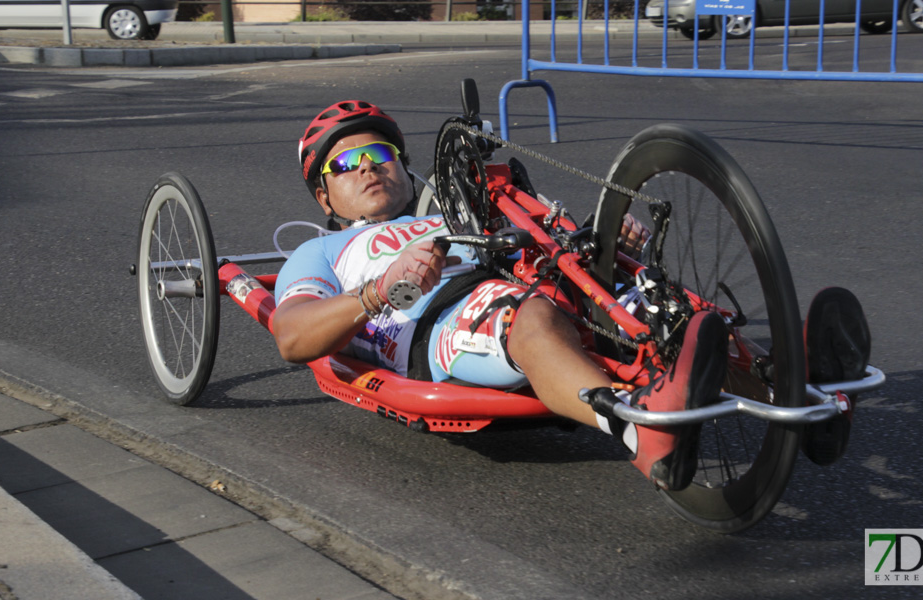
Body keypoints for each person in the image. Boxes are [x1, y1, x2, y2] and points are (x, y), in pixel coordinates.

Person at [271, 100, 730, 491]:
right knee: (525, 313)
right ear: (324, 197)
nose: (368, 165)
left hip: (536, 282)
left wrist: (603, 243)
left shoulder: (459, 207)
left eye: (379, 152)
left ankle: (789, 382)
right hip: (441, 320)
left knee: (667, 310)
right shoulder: (323, 250)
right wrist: (379, 290)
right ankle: (636, 430)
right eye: (345, 164)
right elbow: (292, 336)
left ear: (404, 168)